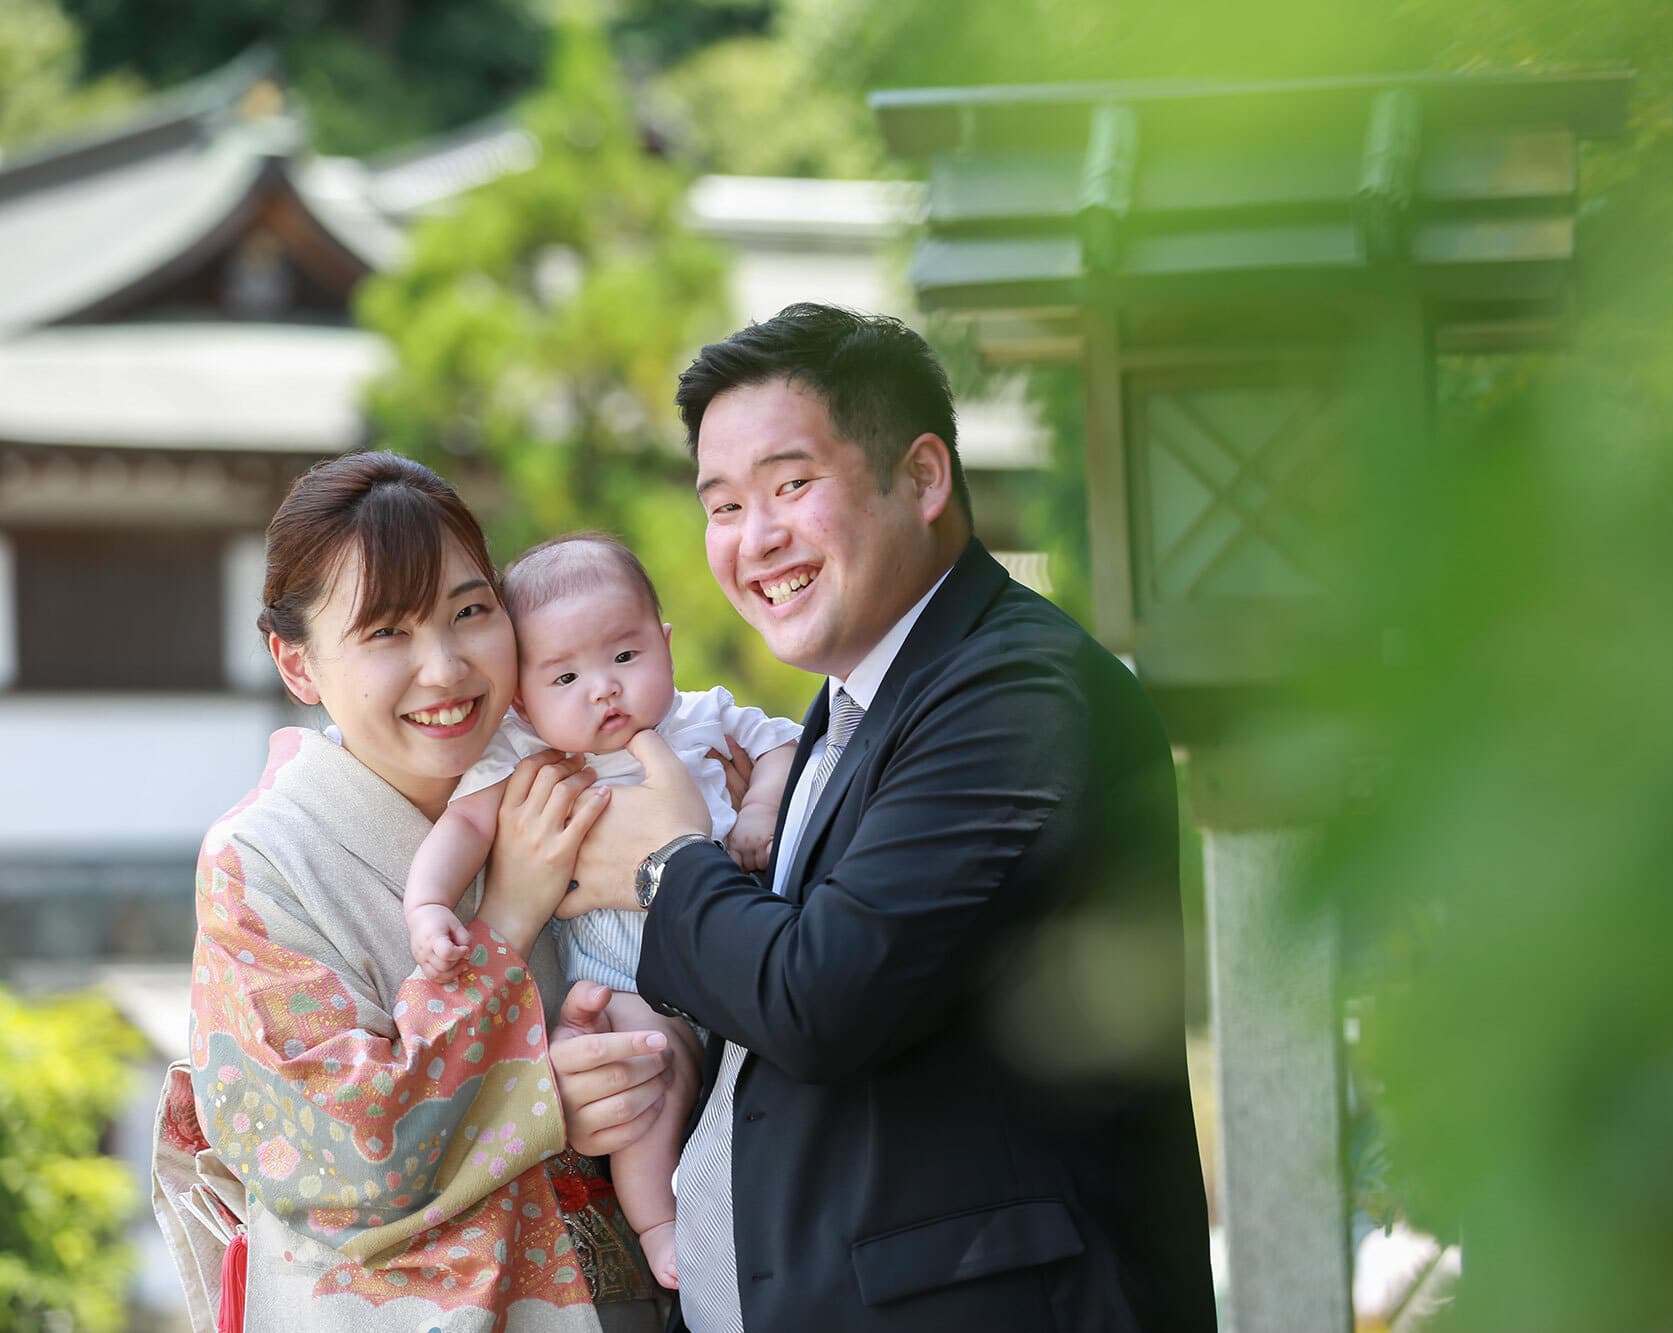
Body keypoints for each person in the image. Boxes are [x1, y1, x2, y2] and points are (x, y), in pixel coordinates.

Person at [553, 303, 1217, 1332]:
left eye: (790, 485)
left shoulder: (1014, 693)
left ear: (920, 476)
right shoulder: (847, 708)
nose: (753, 539)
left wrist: (663, 866)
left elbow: (826, 991)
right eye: (722, 505)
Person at [148, 452, 695, 1331]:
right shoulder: (263, 861)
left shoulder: (570, 778)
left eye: (471, 612)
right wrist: (510, 925)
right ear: (296, 664)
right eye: (385, 631)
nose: (445, 668)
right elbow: (338, 1156)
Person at [403, 531, 801, 1288]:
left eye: (625, 656)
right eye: (566, 676)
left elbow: (785, 745)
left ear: (667, 645)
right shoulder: (526, 758)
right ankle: (659, 1226)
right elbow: (464, 826)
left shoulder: (704, 718)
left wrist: (760, 808)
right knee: (643, 1074)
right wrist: (428, 905)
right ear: (522, 697)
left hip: (738, 954)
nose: (604, 689)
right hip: (627, 986)